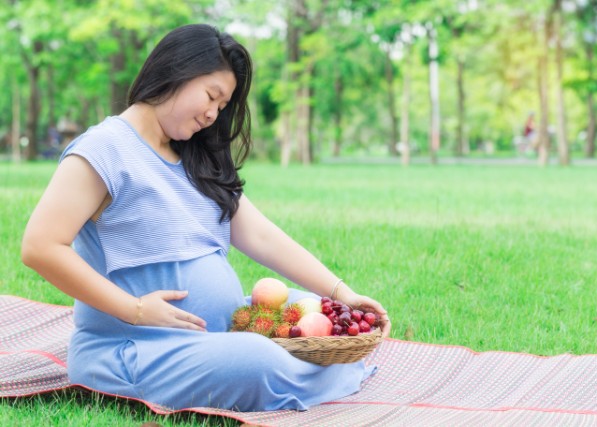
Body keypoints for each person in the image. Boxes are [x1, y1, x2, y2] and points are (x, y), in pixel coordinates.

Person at [21, 23, 391, 411]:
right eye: (212, 96)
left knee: (313, 313)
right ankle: (311, 375)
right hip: (134, 348)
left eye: (223, 106)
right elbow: (40, 247)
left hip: (213, 334)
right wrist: (137, 311)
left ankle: (308, 368)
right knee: (255, 360)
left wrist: (341, 293)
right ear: (175, 71)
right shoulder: (104, 150)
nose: (214, 114)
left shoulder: (194, 158)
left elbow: (261, 237)